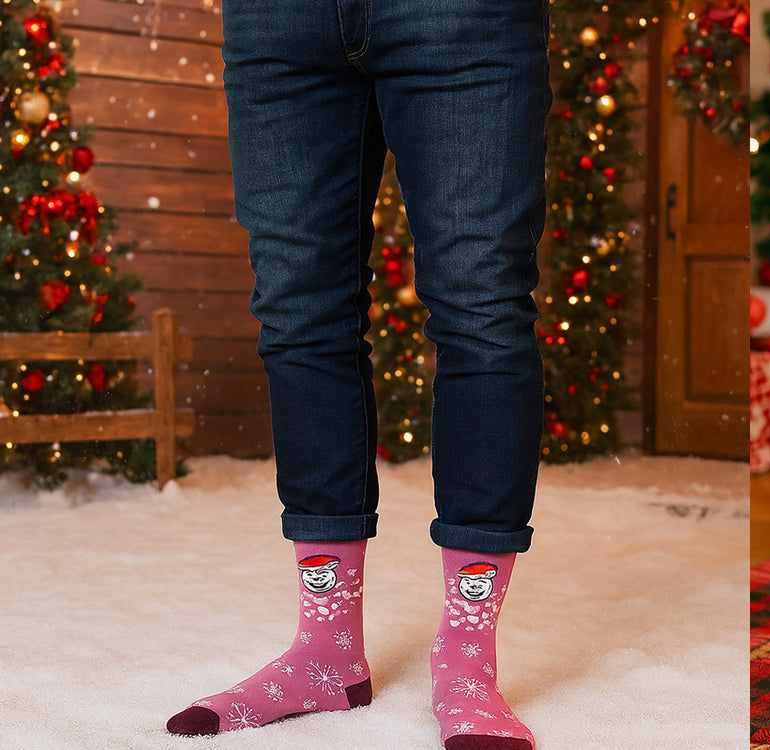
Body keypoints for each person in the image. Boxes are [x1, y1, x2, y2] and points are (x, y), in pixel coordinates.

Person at [166, 2, 550, 748]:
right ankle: (326, 653)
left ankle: (467, 662)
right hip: (278, 19)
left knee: (482, 306)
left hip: (464, 16)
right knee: (298, 310)